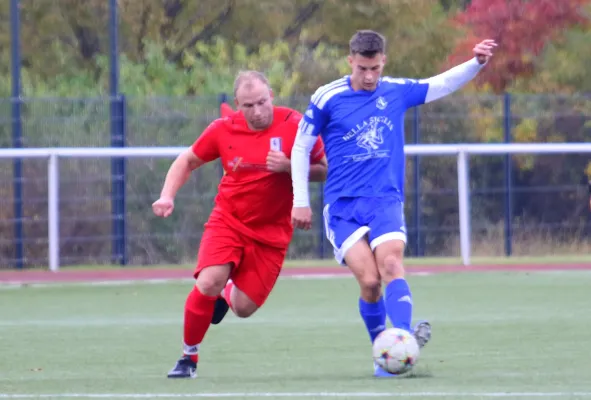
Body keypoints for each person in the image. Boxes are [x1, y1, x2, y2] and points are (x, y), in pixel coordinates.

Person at [290, 30, 497, 377]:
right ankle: (382, 350)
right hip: (342, 207)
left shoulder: (395, 90)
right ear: (350, 61)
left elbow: (440, 84)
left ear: (383, 61)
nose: (369, 76)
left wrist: (475, 63)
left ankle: (401, 343)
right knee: (370, 283)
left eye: (374, 68)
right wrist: (300, 200)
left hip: (385, 200)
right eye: (362, 69)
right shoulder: (328, 97)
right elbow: (300, 148)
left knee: (390, 264)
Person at [153, 70, 328, 379]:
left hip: (272, 233)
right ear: (237, 104)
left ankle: (225, 294)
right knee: (208, 281)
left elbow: (324, 170)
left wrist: (289, 167)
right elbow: (187, 161)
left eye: (262, 102)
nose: (257, 112)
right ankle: (188, 357)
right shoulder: (223, 129)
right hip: (228, 221)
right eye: (248, 106)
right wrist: (167, 196)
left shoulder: (297, 126)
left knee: (244, 308)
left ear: (272, 95)